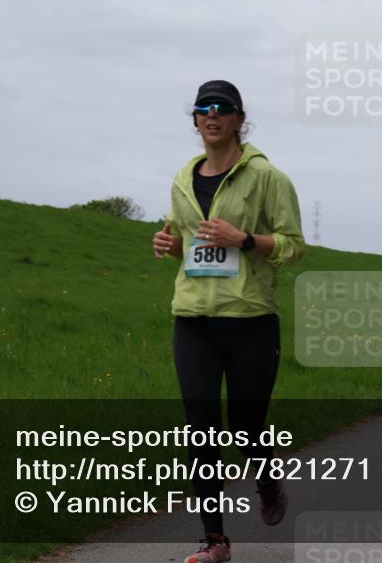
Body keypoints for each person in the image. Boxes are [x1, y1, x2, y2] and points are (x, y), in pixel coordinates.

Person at [152, 80, 306, 563]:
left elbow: (293, 245)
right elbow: (187, 241)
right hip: (193, 318)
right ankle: (213, 539)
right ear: (194, 120)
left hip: (250, 320)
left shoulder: (268, 178)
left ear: (240, 119)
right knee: (201, 429)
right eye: (203, 109)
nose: (211, 116)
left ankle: (266, 478)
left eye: (222, 109)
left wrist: (244, 239)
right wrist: (172, 246)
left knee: (245, 426)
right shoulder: (182, 178)